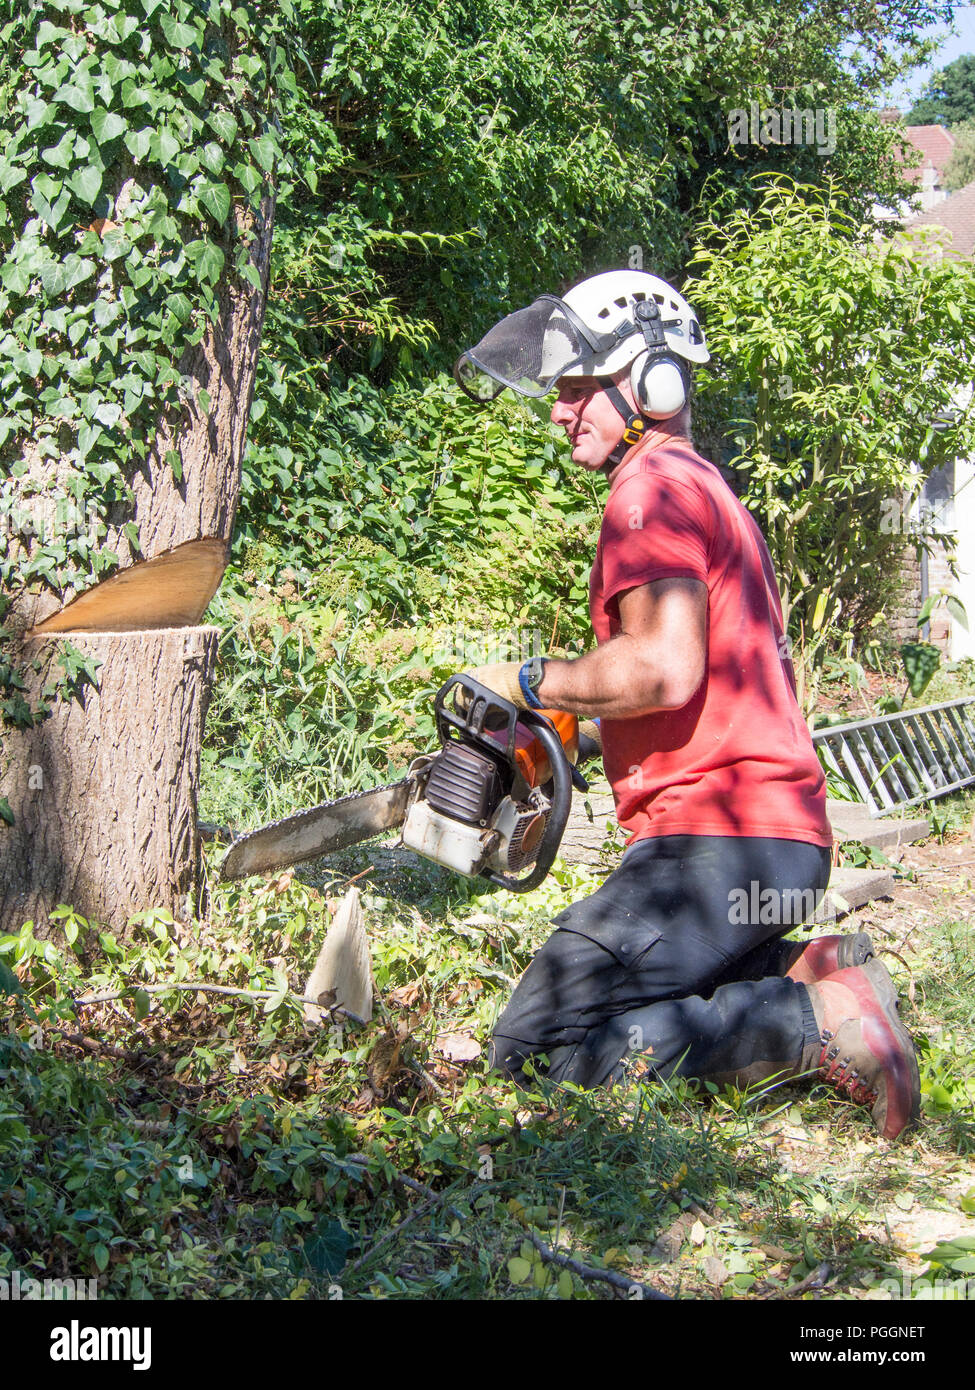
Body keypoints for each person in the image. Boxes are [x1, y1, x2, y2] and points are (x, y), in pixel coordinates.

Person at [452, 269, 920, 1139]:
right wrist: (569, 738)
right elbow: (688, 689)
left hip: (717, 847)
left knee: (537, 1047)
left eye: (577, 390)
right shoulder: (703, 486)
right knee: (607, 1011)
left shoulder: (650, 490)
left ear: (649, 383)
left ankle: (811, 1022)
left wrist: (522, 682)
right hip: (771, 856)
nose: (558, 413)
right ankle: (804, 966)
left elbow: (662, 670)